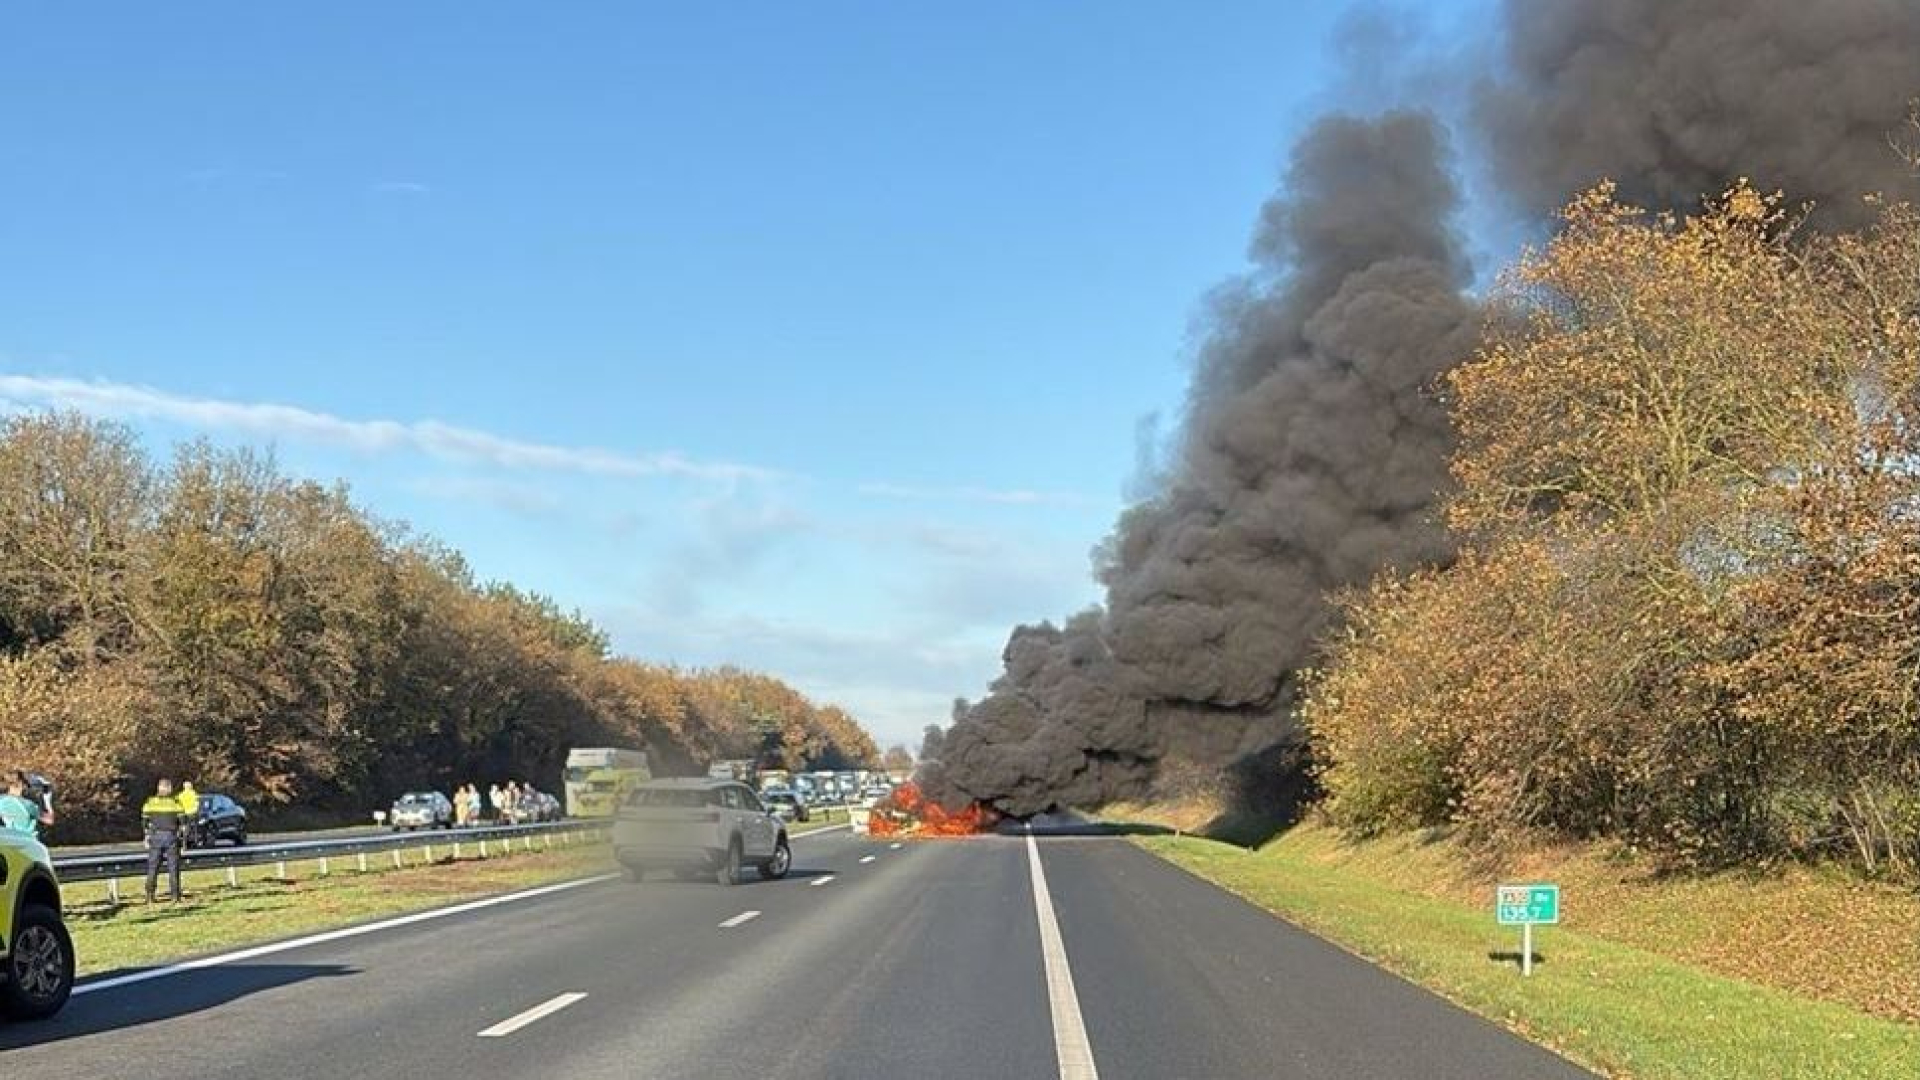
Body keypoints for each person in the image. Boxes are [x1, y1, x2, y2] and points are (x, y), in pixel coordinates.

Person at [141, 778, 186, 903]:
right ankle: (175, 896)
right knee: (173, 868)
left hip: (155, 837)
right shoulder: (176, 803)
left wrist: (146, 836)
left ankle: (150, 896)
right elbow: (183, 823)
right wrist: (183, 841)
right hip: (171, 837)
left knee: (152, 867)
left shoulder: (150, 803)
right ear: (169, 789)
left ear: (159, 788)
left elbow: (144, 822)